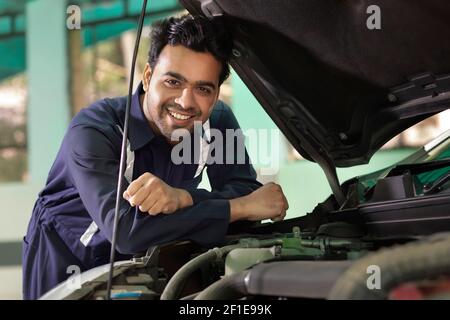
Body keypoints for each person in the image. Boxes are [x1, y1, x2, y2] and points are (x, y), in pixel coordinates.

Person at [22, 14, 289, 300]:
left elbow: (245, 190)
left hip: (148, 256)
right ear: (148, 78)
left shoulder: (217, 121)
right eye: (173, 82)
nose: (186, 101)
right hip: (66, 256)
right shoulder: (94, 131)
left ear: (214, 96)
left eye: (202, 88)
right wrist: (235, 207)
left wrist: (183, 198)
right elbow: (125, 230)